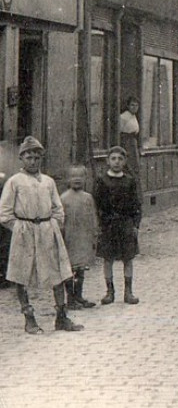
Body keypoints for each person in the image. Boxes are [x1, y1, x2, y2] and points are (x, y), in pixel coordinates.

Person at [0, 136, 83, 333]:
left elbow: (58, 208)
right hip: (25, 231)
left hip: (47, 230)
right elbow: (4, 212)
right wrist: (19, 228)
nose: (33, 161)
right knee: (22, 273)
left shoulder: (48, 182)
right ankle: (29, 317)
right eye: (28, 157)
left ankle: (61, 316)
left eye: (36, 157)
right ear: (22, 159)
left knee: (58, 272)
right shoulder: (15, 182)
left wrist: (53, 224)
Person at [94, 146, 141, 306]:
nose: (116, 162)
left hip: (125, 223)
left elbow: (136, 204)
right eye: (113, 158)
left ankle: (128, 292)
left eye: (120, 159)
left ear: (125, 161)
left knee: (128, 258)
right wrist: (99, 224)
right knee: (108, 259)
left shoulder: (130, 181)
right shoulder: (101, 180)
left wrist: (135, 224)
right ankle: (110, 292)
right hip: (108, 224)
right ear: (108, 161)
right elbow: (97, 204)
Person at [60, 165, 98, 310]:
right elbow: (60, 219)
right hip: (69, 238)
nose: (77, 179)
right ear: (67, 179)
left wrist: (94, 233)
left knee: (81, 269)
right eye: (73, 176)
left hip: (83, 237)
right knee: (70, 270)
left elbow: (93, 216)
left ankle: (79, 296)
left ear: (85, 179)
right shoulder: (63, 198)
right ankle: (70, 299)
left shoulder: (88, 198)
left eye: (80, 176)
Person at [119, 97, 142, 191]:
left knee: (135, 168)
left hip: (133, 142)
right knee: (129, 167)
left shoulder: (134, 116)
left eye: (136, 105)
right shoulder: (123, 117)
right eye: (132, 105)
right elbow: (120, 131)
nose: (134, 107)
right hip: (127, 142)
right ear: (128, 106)